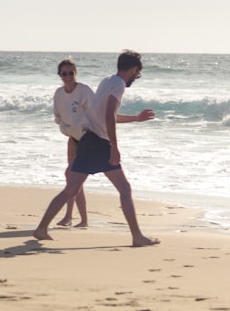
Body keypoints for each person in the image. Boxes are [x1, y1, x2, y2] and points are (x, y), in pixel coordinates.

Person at [33, 50, 160, 246]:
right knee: (124, 189)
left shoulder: (107, 80)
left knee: (70, 190)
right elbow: (109, 115)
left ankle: (41, 228)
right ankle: (137, 236)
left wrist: (135, 118)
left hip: (88, 140)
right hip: (99, 143)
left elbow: (103, 115)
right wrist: (114, 147)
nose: (137, 76)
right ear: (134, 69)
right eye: (137, 73)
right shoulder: (118, 85)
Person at [52, 59, 94, 227]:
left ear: (75, 73)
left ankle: (80, 219)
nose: (68, 76)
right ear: (60, 75)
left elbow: (96, 112)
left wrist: (87, 129)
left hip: (89, 138)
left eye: (71, 73)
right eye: (64, 73)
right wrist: (66, 129)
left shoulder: (84, 91)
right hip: (73, 138)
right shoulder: (59, 93)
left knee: (74, 177)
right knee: (71, 177)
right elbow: (58, 116)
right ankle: (72, 217)